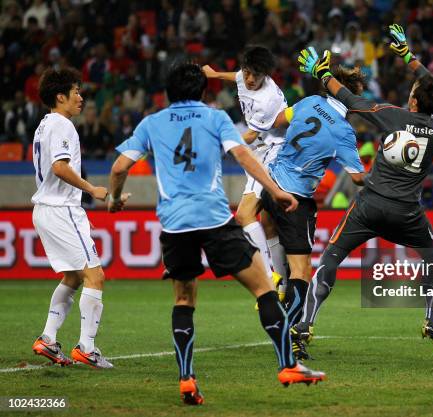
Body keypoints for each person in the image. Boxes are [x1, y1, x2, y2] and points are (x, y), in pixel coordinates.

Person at [108, 63, 325, 405]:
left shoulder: (151, 123)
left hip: (175, 224)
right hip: (212, 218)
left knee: (183, 299)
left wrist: (114, 199)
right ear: (203, 91)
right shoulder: (215, 119)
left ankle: (186, 379)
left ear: (168, 92)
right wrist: (276, 190)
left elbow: (120, 166)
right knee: (264, 288)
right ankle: (288, 365)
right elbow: (244, 157)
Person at [293, 24, 433, 357]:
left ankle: (305, 324)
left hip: (370, 205)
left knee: (331, 257)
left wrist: (323, 74)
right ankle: (432, 321)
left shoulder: (393, 117)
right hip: (407, 212)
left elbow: (350, 98)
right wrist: (409, 57)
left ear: (411, 100)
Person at [261, 64, 366, 358]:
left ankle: (276, 280)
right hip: (295, 199)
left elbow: (279, 120)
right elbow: (358, 178)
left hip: (271, 185)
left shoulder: (309, 101)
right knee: (302, 271)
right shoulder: (343, 131)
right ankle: (292, 335)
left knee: (272, 235)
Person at [30, 67, 113, 369]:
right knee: (96, 276)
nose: (81, 97)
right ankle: (87, 348)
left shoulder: (43, 126)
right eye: (76, 92)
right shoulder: (63, 126)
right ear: (60, 96)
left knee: (73, 277)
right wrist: (92, 189)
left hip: (47, 209)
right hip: (61, 209)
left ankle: (48, 339)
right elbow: (60, 167)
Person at [203, 46, 287, 294]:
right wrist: (215, 75)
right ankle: (282, 282)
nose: (249, 79)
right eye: (247, 72)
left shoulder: (267, 99)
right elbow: (236, 77)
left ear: (265, 75)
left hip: (273, 152)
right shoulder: (245, 76)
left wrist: (220, 146)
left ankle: (267, 276)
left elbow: (250, 136)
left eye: (256, 76)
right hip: (261, 151)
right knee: (268, 223)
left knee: (243, 215)